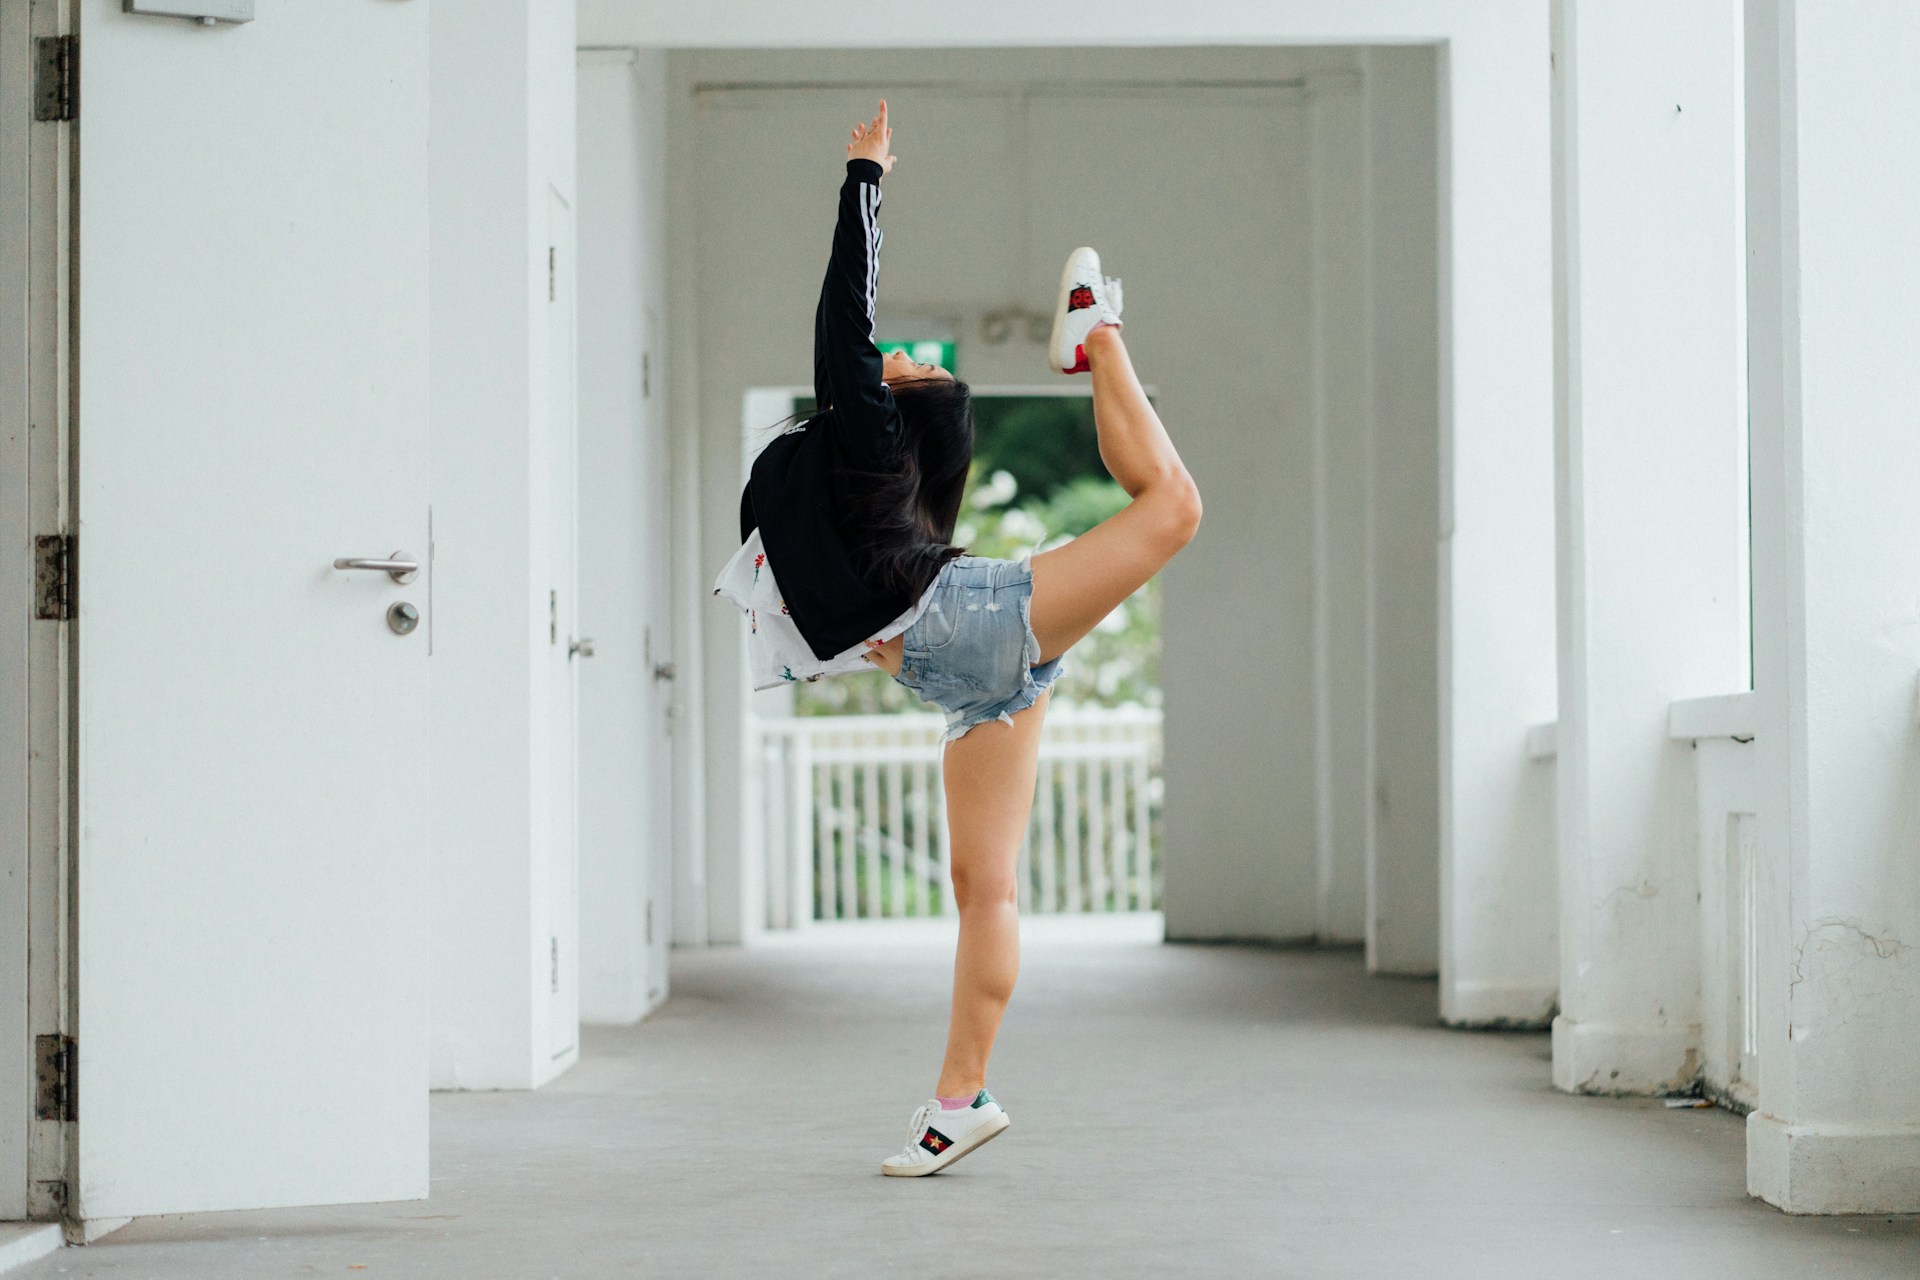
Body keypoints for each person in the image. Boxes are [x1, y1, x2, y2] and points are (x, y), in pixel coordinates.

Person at [711, 101, 1203, 1176]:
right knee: (1170, 508)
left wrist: (864, 179)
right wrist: (861, 174)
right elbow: (847, 323)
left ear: (909, 411)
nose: (892, 356)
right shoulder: (868, 465)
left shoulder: (866, 457)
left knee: (988, 887)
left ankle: (957, 1099)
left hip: (956, 659)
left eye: (909, 367)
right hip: (969, 632)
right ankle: (1098, 336)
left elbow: (847, 319)